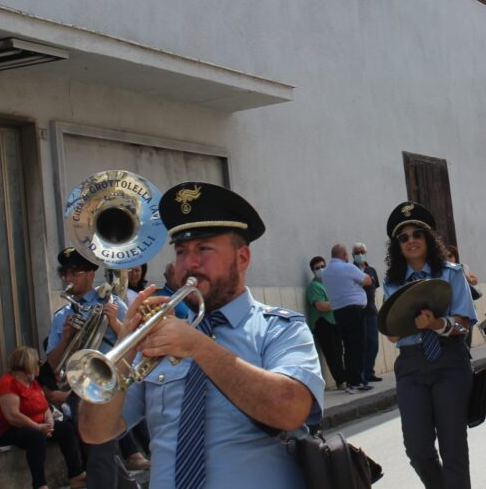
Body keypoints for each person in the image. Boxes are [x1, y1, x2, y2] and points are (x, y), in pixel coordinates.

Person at [78, 181, 325, 489]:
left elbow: (291, 410)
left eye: (204, 249)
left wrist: (198, 347)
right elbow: (95, 432)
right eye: (181, 251)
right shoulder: (160, 339)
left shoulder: (279, 328)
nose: (189, 263)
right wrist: (125, 346)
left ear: (243, 258)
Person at [383, 201, 477, 489]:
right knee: (417, 448)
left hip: (450, 361)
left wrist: (438, 324)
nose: (410, 241)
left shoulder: (452, 273)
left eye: (416, 234)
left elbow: (464, 322)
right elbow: (393, 333)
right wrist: (400, 328)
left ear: (428, 239)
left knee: (453, 447)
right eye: (403, 237)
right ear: (397, 246)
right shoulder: (392, 282)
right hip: (410, 365)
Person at [46, 248, 148, 484]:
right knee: (98, 446)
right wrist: (65, 338)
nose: (69, 279)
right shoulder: (62, 316)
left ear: (91, 274)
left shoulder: (113, 303)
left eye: (75, 273)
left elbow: (137, 343)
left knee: (99, 448)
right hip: (79, 388)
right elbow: (51, 363)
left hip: (112, 385)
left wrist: (113, 321)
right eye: (66, 274)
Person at [0, 346, 86, 489]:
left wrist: (50, 422)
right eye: (37, 362)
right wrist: (38, 427)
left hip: (37, 424)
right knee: (36, 437)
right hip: (10, 429)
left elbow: (45, 406)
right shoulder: (7, 384)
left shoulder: (32, 383)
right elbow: (13, 416)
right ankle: (40, 484)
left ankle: (76, 474)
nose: (40, 365)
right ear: (26, 364)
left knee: (66, 428)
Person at [319, 243, 373, 393]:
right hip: (354, 310)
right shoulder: (348, 267)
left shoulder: (326, 272)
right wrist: (364, 274)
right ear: (344, 256)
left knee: (348, 347)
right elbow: (367, 280)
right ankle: (357, 382)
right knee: (358, 345)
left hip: (338, 312)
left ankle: (351, 381)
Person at [306, 256, 345, 391]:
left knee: (339, 350)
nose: (321, 269)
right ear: (313, 271)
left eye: (323, 266)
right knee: (332, 353)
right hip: (322, 323)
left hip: (334, 321)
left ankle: (344, 377)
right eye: (317, 268)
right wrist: (338, 301)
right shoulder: (314, 286)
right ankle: (340, 381)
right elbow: (321, 306)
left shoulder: (329, 283)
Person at [353, 242, 383, 383]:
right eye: (357, 252)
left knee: (374, 344)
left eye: (362, 252)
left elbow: (374, 288)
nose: (360, 254)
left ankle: (369, 372)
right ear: (353, 255)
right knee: (361, 345)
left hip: (371, 311)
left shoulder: (371, 270)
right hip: (358, 312)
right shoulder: (351, 269)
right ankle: (362, 374)